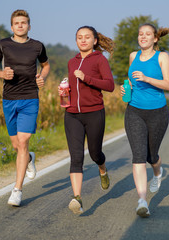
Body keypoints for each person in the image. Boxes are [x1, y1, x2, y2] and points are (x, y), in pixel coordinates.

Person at [0, 9, 50, 207]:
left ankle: (17, 190)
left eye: (24, 23)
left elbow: (46, 66)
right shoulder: (3, 44)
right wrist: (1, 74)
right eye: (17, 23)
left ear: (29, 26)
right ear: (12, 26)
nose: (21, 26)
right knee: (17, 146)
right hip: (9, 99)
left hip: (30, 98)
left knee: (23, 142)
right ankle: (30, 157)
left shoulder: (37, 46)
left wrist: (42, 77)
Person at [120, 23, 169, 217]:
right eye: (140, 34)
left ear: (155, 38)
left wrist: (147, 78)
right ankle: (142, 200)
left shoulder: (163, 57)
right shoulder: (133, 56)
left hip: (157, 112)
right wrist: (125, 90)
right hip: (134, 111)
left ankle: (158, 173)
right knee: (138, 155)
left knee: (152, 156)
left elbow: (168, 84)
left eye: (147, 34)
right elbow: (131, 83)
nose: (143, 37)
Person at [61, 26, 115, 214]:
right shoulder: (71, 62)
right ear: (76, 40)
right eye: (79, 37)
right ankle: (77, 198)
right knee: (76, 158)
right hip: (72, 114)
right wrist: (65, 91)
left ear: (95, 41)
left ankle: (102, 168)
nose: (83, 40)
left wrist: (86, 78)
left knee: (95, 153)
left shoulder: (100, 60)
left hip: (94, 113)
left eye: (87, 37)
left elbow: (110, 85)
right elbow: (73, 87)